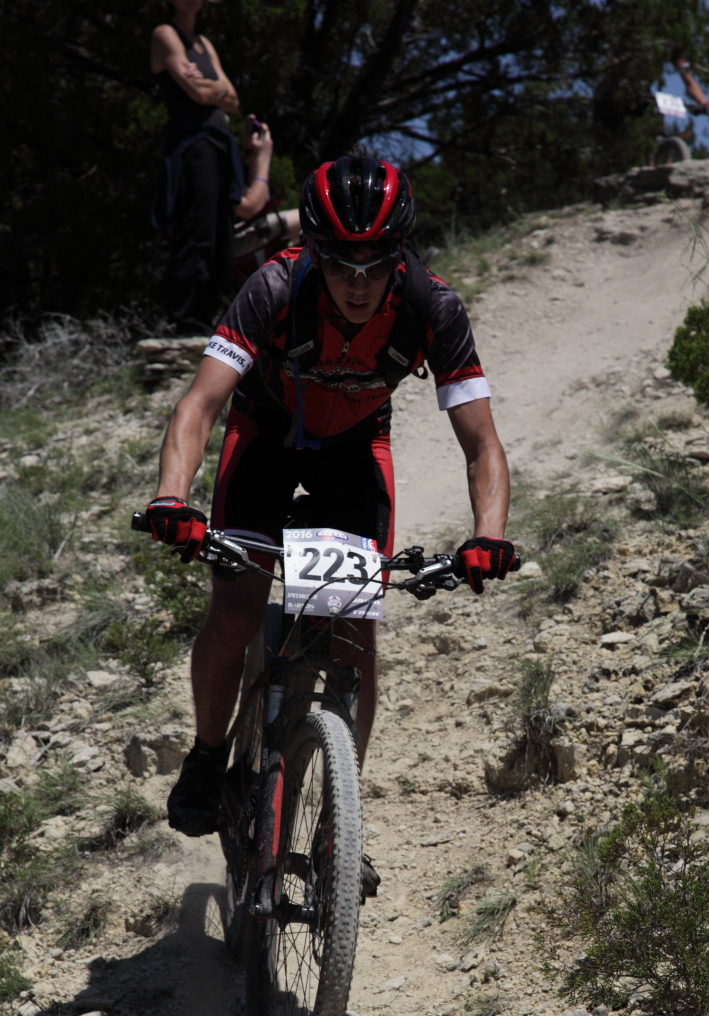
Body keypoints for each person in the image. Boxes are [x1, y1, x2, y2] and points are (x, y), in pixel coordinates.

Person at [140, 152, 516, 865]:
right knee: (237, 610)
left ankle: (338, 824)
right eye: (341, 263)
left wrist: (487, 535)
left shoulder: (433, 306)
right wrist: (172, 497)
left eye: (376, 264)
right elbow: (201, 403)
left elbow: (481, 443)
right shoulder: (273, 286)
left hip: (354, 453)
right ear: (313, 249)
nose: (358, 282)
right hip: (265, 438)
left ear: (400, 255)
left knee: (353, 640)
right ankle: (209, 754)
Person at [151, 0, 274, 333]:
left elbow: (232, 100)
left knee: (221, 235)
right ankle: (188, 322)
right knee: (197, 228)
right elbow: (198, 93)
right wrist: (215, 89)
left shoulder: (204, 44)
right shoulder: (165, 34)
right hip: (192, 145)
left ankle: (208, 319)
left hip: (220, 146)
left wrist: (214, 88)